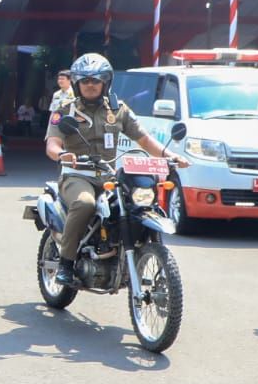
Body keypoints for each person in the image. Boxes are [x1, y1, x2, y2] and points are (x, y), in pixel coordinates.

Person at [45, 53, 189, 288]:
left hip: (109, 176)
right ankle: (66, 263)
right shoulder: (65, 111)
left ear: (105, 82)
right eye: (85, 81)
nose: (90, 85)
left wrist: (170, 156)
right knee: (85, 203)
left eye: (96, 80)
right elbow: (52, 144)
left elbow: (144, 139)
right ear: (77, 84)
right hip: (77, 175)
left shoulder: (118, 109)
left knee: (139, 205)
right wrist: (62, 155)